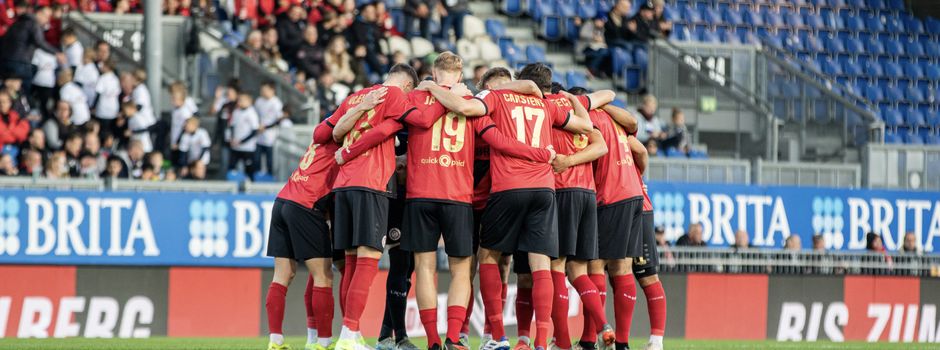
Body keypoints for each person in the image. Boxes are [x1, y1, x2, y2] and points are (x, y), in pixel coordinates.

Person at [340, 52, 557, 350]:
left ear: (433, 71)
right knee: (461, 270)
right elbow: (495, 140)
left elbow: (385, 129)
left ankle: (432, 340)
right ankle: (454, 337)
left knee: (424, 268)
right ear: (460, 74)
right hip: (458, 197)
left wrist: (349, 150)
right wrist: (541, 154)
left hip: (419, 196)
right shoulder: (470, 100)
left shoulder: (413, 98)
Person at [419, 62, 594, 350]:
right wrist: (575, 103)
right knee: (541, 264)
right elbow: (586, 126)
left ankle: (496, 336)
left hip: (505, 188)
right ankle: (540, 341)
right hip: (543, 188)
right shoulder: (544, 104)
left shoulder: (494, 99)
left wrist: (431, 86)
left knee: (487, 257)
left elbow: (465, 110)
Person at [263, 87, 386, 350]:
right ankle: (323, 341)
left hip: (283, 200)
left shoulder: (321, 138)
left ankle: (275, 340)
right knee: (323, 276)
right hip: (306, 205)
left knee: (282, 275)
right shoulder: (342, 143)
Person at [310, 64, 420, 350]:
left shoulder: (356, 97)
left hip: (343, 185)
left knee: (350, 263)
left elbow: (332, 133)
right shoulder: (396, 95)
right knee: (368, 261)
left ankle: (352, 334)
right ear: (407, 86)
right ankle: (349, 335)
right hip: (371, 183)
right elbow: (419, 119)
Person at [542, 83, 617, 350]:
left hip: (563, 190)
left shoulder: (547, 109)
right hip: (587, 194)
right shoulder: (579, 109)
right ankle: (604, 326)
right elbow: (601, 145)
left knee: (556, 266)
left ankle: (561, 342)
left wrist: (566, 162)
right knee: (579, 270)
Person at [0, 3, 64, 93]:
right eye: (46, 17)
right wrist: (57, 53)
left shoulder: (19, 22)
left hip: (6, 60)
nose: (47, 20)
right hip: (21, 63)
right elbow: (39, 41)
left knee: (6, 90)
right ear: (39, 13)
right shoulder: (33, 23)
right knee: (22, 91)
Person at [255, 82, 290, 175]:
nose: (263, 92)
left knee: (269, 160)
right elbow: (255, 115)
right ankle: (256, 177)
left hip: (270, 135)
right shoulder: (259, 101)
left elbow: (279, 119)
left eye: (266, 90)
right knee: (257, 159)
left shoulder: (276, 103)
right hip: (259, 134)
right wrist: (258, 125)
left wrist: (266, 127)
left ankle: (269, 177)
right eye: (262, 90)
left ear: (272, 90)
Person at [229, 92, 261, 177]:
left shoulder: (252, 113)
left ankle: (250, 183)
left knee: (249, 170)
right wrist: (232, 138)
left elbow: (254, 131)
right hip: (235, 146)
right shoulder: (236, 112)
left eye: (242, 100)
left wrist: (242, 141)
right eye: (239, 100)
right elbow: (232, 126)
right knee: (232, 168)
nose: (239, 102)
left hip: (248, 148)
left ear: (249, 101)